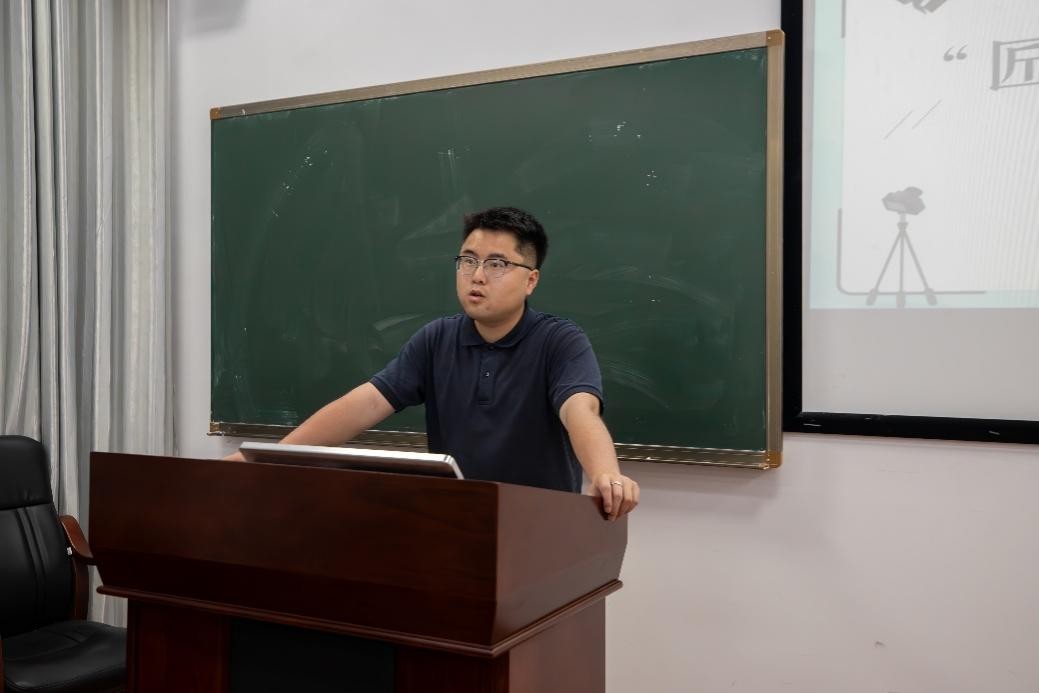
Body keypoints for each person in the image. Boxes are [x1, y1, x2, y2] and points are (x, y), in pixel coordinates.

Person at [226, 207, 638, 520]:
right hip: (456, 523)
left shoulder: (559, 341)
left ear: (531, 280)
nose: (477, 276)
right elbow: (367, 403)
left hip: (540, 529)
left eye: (497, 264)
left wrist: (606, 474)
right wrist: (266, 459)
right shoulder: (437, 339)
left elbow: (580, 410)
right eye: (468, 260)